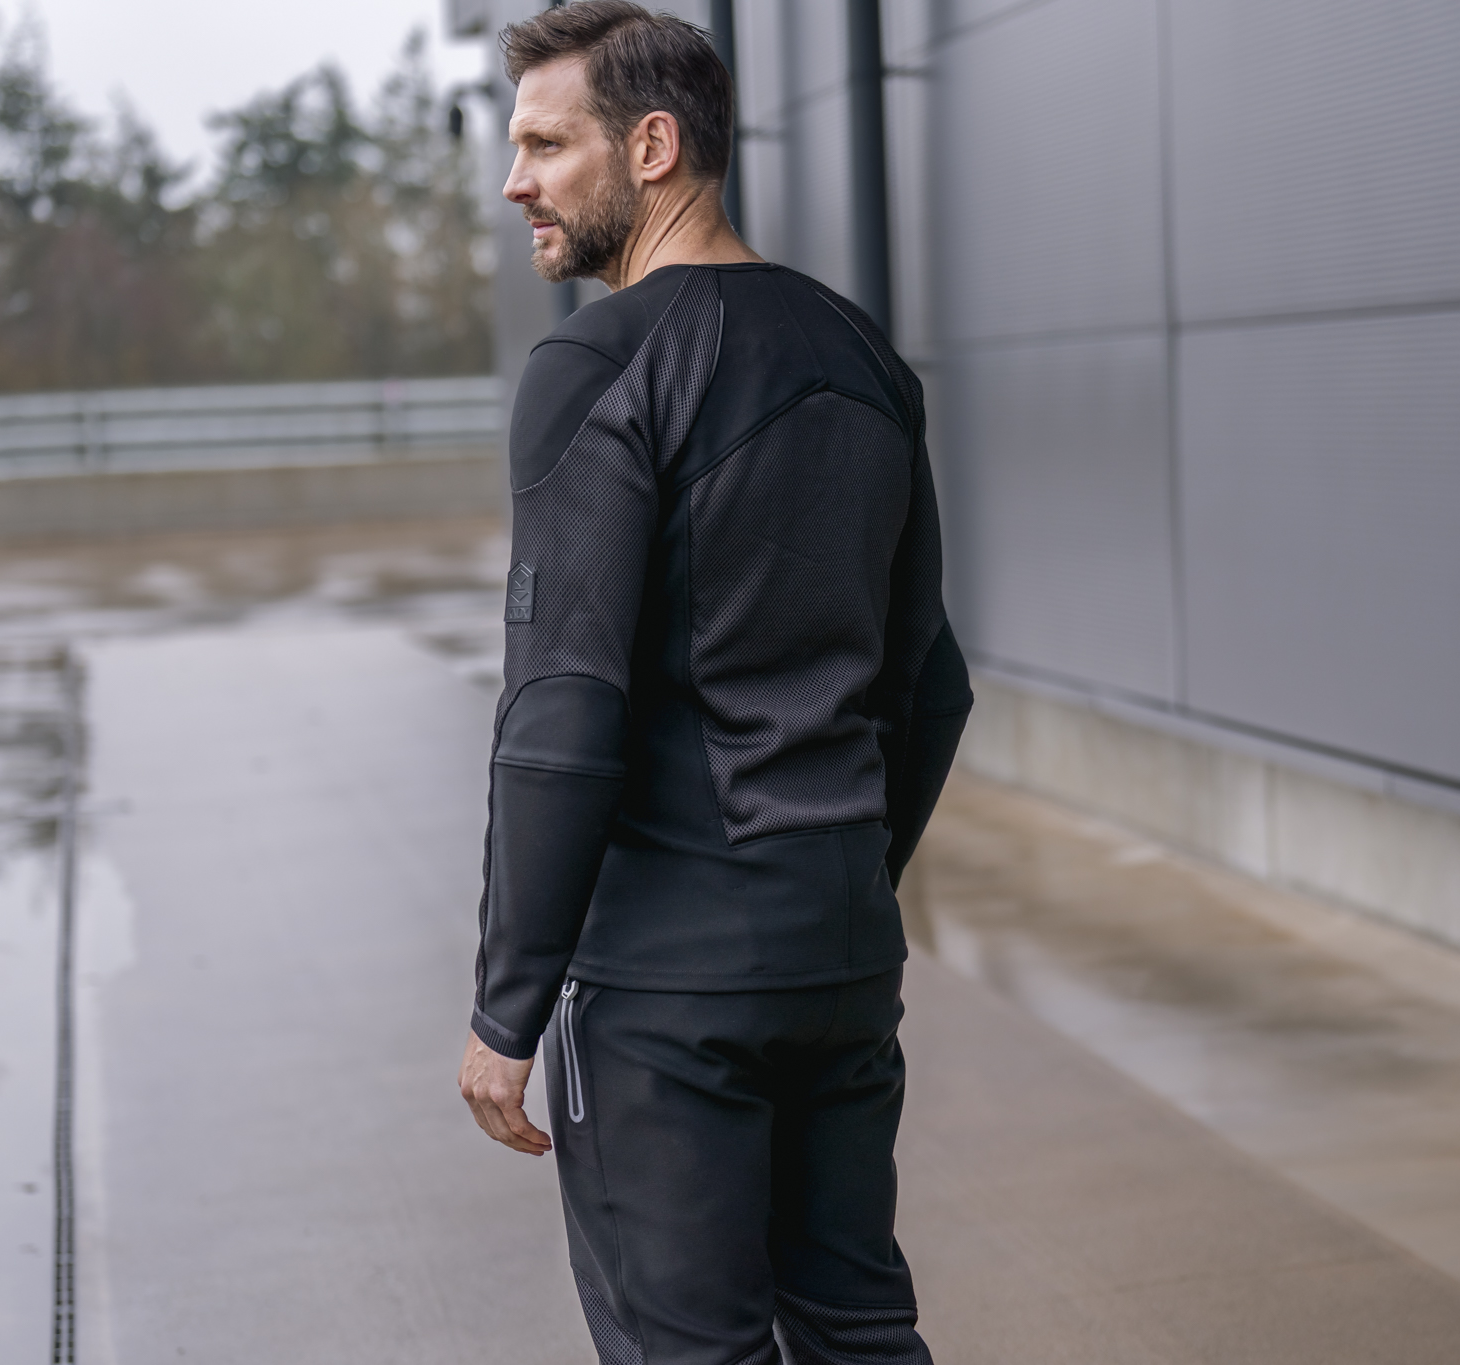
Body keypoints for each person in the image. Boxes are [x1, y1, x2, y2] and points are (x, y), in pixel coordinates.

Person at [453, 5, 971, 1362]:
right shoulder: (863, 355)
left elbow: (561, 712)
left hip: (671, 989)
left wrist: (507, 1006)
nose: (515, 182)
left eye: (546, 146)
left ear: (654, 147)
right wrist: (835, 877)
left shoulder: (597, 365)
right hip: (842, 956)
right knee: (860, 1330)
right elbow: (930, 684)